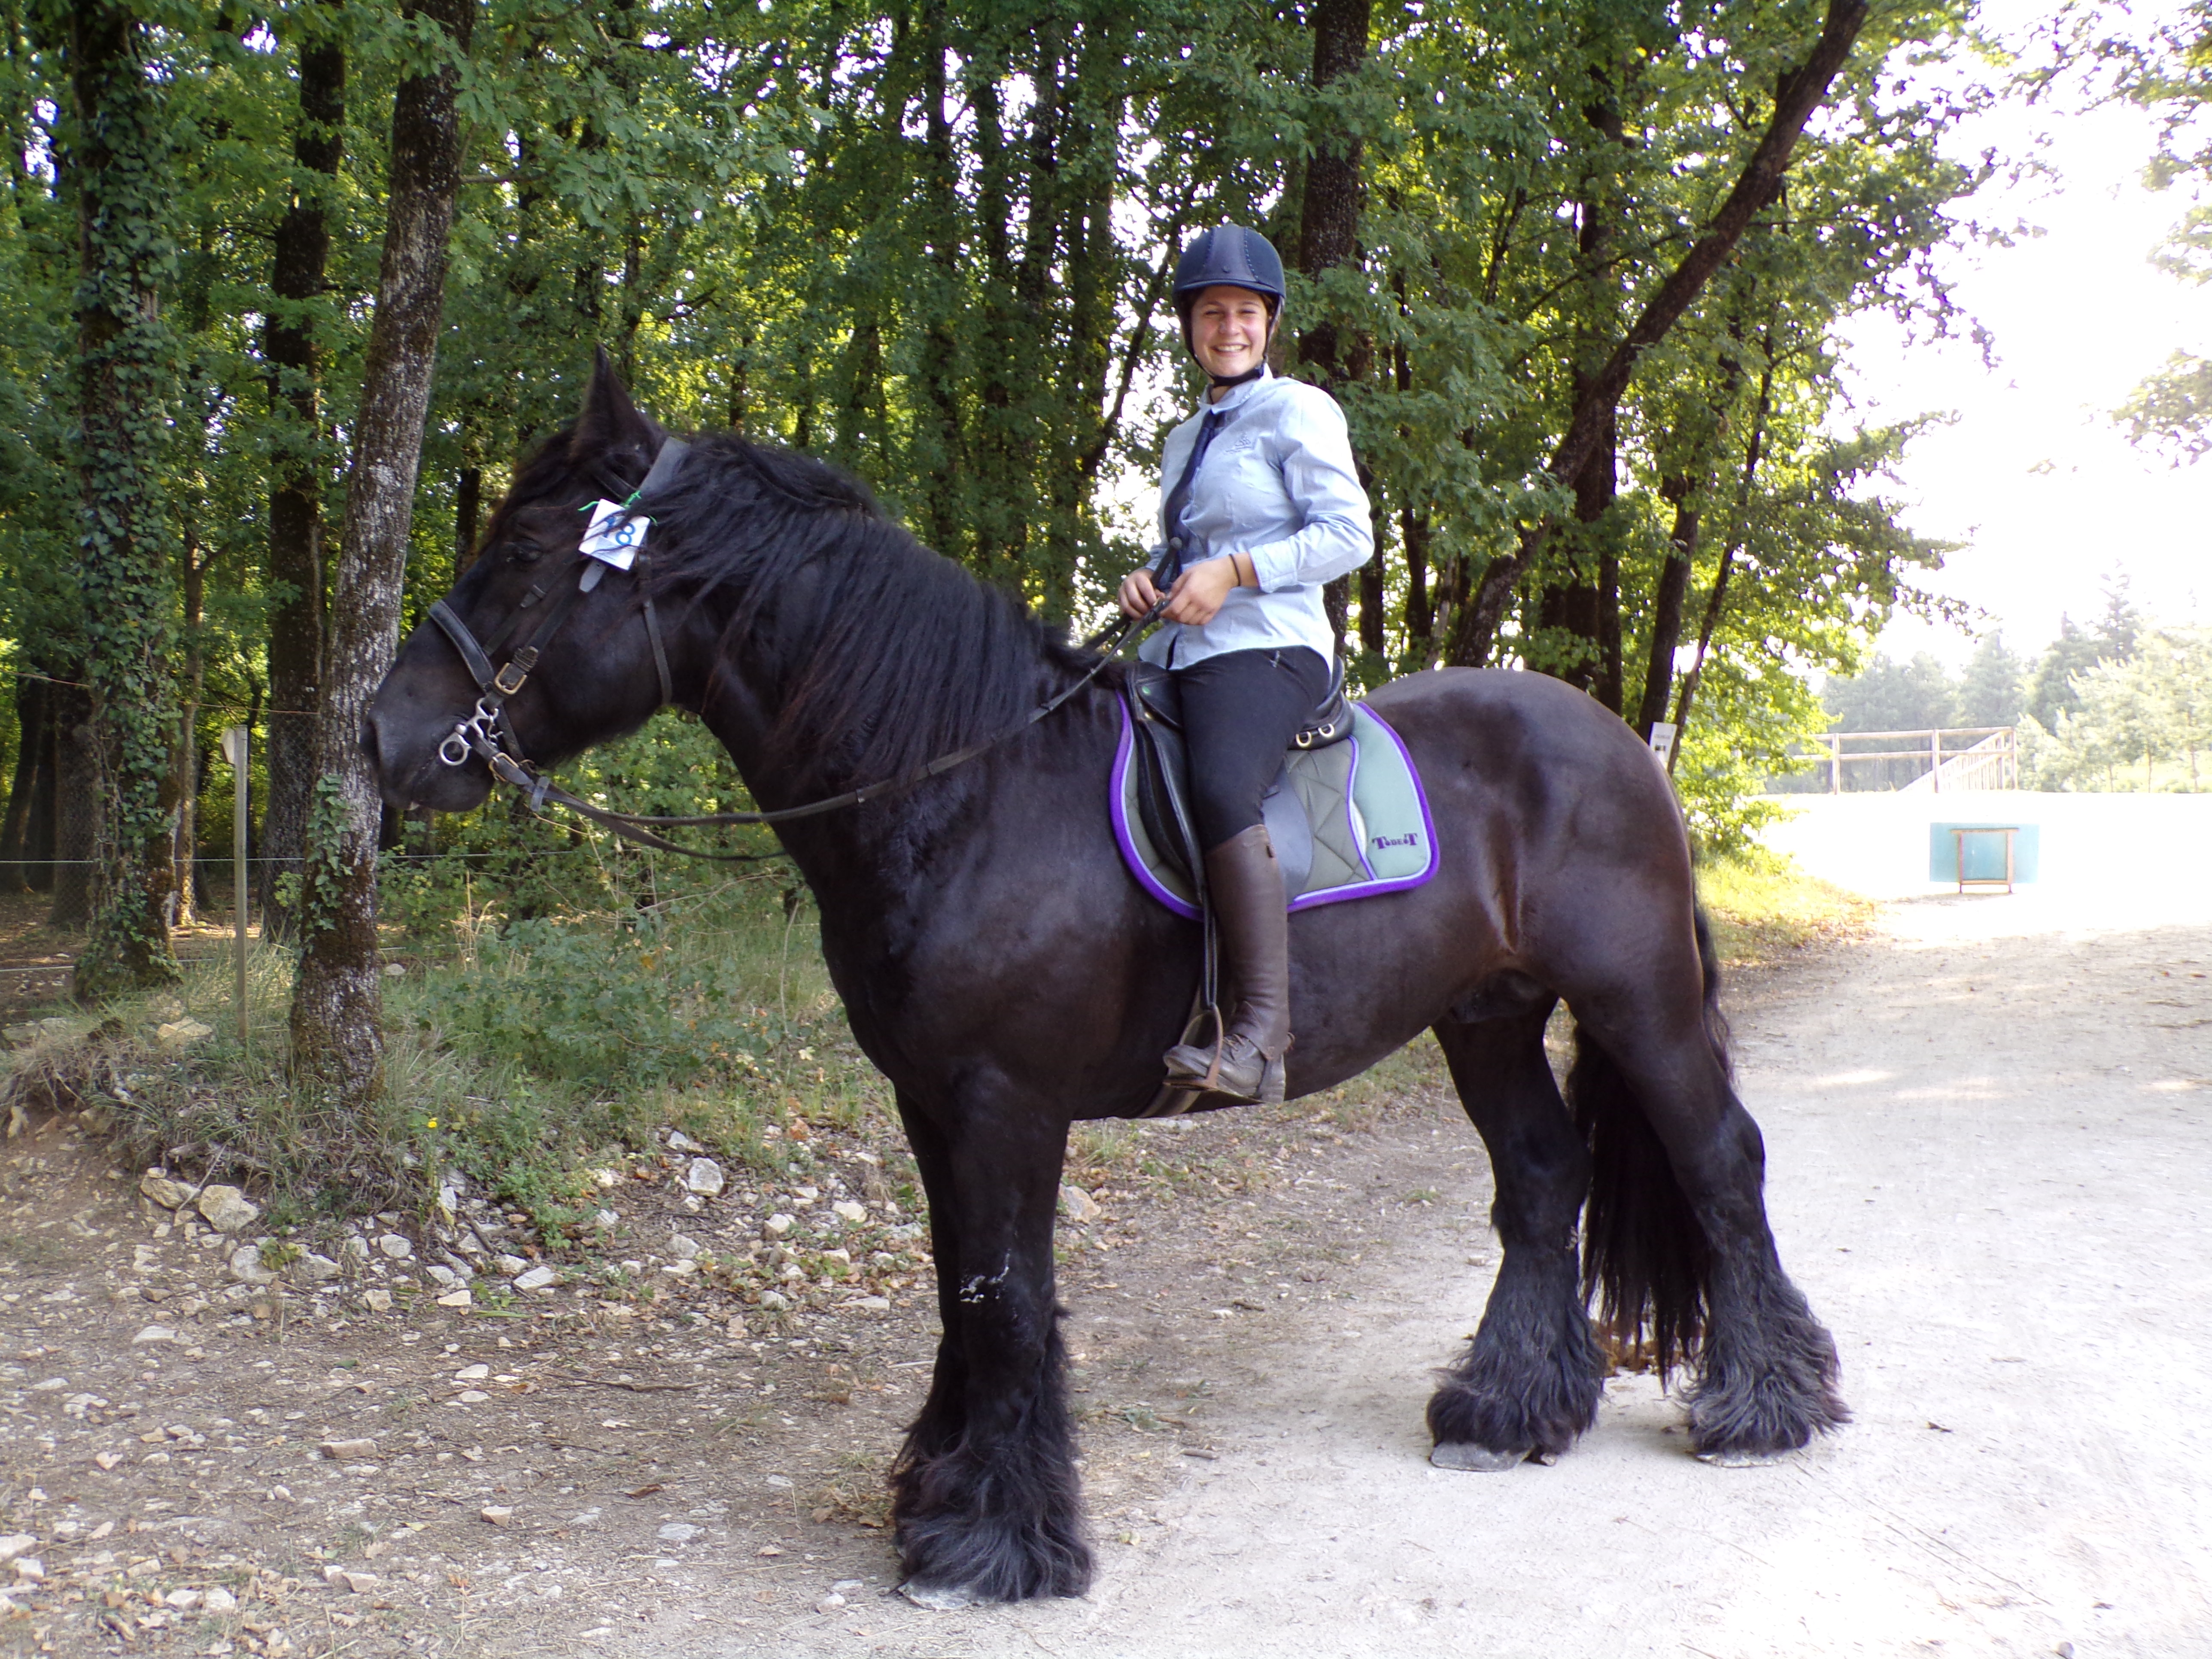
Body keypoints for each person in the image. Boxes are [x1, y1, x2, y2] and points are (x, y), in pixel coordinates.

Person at [1118, 224, 1374, 1103]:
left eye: (1244, 312)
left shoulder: (1299, 410)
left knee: (1222, 786)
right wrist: (1151, 581)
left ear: (1267, 325)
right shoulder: (1184, 437)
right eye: (1210, 312)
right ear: (1189, 325)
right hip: (1180, 647)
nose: (1227, 327)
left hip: (1269, 649)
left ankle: (1260, 1031)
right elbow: (1188, 545)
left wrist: (1235, 573)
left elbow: (1348, 536)